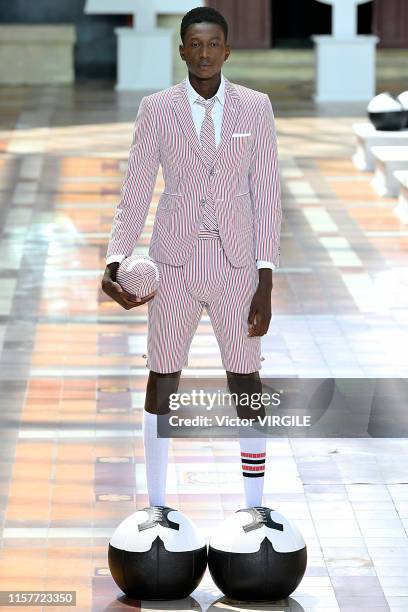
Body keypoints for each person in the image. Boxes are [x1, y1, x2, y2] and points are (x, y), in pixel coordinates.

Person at [101, 6, 282, 512]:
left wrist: (264, 280)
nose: (204, 53)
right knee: (163, 379)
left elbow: (266, 194)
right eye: (194, 45)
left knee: (246, 382)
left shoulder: (255, 107)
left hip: (236, 269)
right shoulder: (157, 109)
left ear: (227, 49)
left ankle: (254, 507)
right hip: (174, 265)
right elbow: (136, 188)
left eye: (213, 44)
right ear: (181, 50)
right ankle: (157, 505)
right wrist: (116, 258)